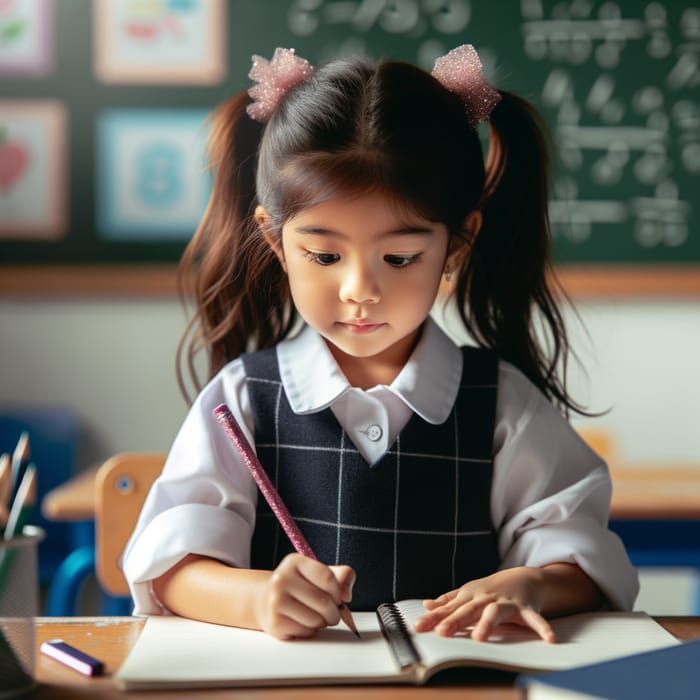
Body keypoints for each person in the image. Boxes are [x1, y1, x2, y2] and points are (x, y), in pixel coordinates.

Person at [122, 45, 638, 643]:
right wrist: (257, 598)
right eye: (324, 255)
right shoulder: (243, 397)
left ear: (458, 243)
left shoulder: (502, 405)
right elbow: (170, 566)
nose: (360, 290)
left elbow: (583, 559)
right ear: (273, 240)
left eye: (399, 257)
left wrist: (533, 585)